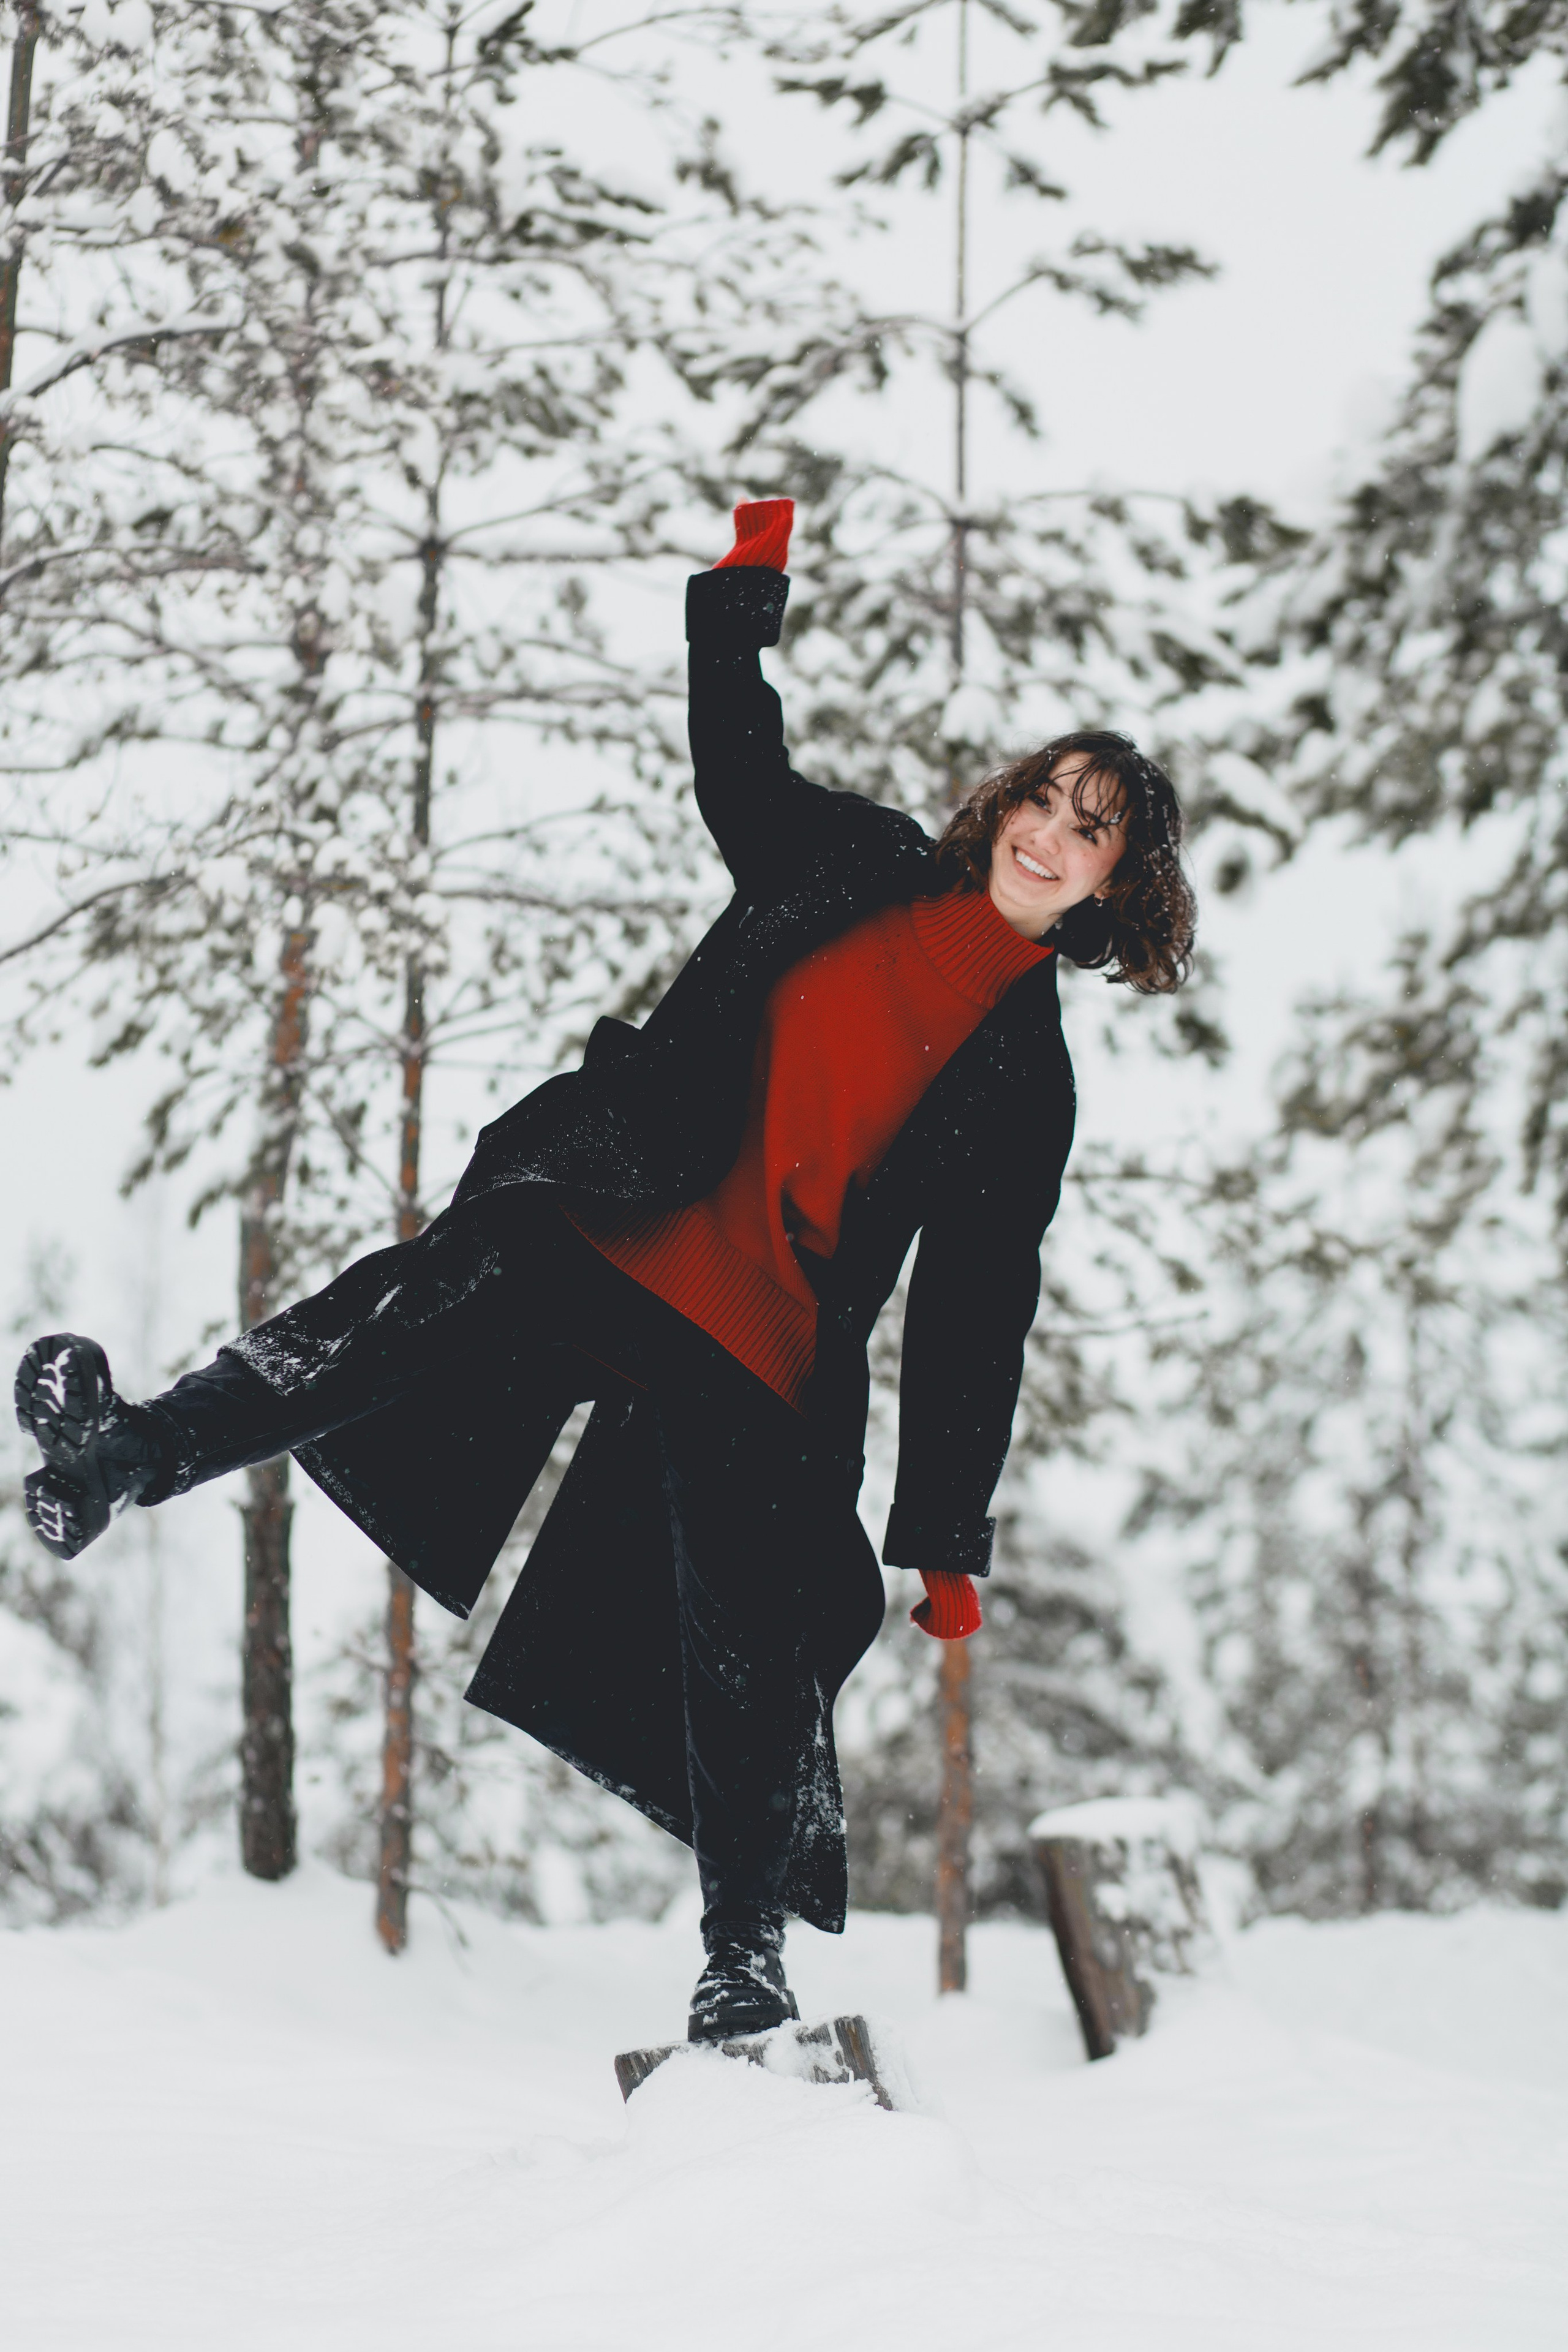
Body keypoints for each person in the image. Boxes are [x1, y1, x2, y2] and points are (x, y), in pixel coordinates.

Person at [13, 499, 1196, 2041]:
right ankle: (123, 1456)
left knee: (743, 1637)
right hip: (624, 1210)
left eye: (1087, 828)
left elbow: (980, 1300)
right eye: (1046, 796)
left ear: (1109, 884)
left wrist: (944, 1532)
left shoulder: (1023, 1079)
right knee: (392, 1319)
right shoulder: (854, 861)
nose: (1048, 831)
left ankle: (742, 1960)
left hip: (765, 1337)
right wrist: (740, 598)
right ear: (1008, 802)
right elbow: (736, 766)